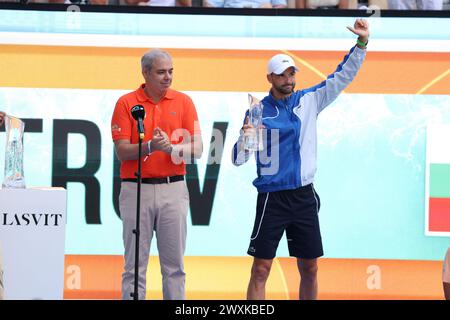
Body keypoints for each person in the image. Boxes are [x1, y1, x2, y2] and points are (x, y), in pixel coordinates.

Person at [232, 19, 369, 300]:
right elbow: (237, 159)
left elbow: (341, 75)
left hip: (304, 196)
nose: (289, 80)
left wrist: (361, 44)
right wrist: (246, 137)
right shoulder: (258, 112)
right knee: (261, 269)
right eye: (282, 75)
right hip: (272, 198)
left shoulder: (310, 100)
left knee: (309, 267)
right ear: (270, 78)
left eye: (292, 74)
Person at [111, 49, 203, 300]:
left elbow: (198, 149)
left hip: (173, 188)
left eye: (171, 71)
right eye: (161, 72)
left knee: (174, 267)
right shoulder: (127, 103)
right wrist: (150, 146)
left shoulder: (184, 102)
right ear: (146, 73)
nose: (168, 77)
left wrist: (171, 148)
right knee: (134, 267)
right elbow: (122, 151)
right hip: (135, 188)